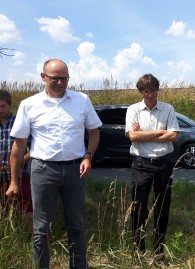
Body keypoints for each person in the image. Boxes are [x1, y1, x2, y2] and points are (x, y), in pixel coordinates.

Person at [5, 59, 102, 269]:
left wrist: (88, 156)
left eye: (64, 78)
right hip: (43, 170)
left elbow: (94, 133)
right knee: (40, 228)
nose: (60, 82)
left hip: (76, 169)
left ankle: (78, 266)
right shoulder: (29, 104)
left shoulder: (82, 100)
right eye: (55, 78)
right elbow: (19, 145)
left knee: (76, 225)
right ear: (43, 77)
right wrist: (14, 181)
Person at [125, 73, 180, 258]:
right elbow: (132, 136)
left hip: (163, 164)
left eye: (153, 90)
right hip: (141, 164)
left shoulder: (168, 109)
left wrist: (144, 134)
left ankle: (158, 251)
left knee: (162, 208)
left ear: (158, 90)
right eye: (146, 91)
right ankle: (139, 250)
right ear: (140, 91)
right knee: (139, 209)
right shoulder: (133, 110)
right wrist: (160, 132)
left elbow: (173, 136)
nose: (150, 94)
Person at [0, 89, 33, 227]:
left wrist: (19, 162)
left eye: (3, 106)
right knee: (3, 211)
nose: (0, 110)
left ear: (9, 105)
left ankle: (37, 240)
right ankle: (8, 239)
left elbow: (34, 149)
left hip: (20, 174)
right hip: (1, 175)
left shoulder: (19, 123)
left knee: (27, 209)